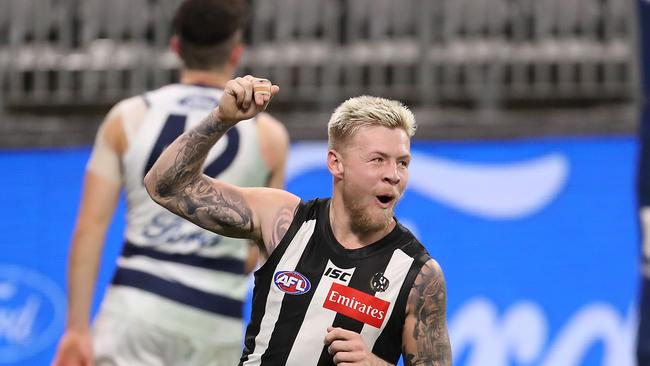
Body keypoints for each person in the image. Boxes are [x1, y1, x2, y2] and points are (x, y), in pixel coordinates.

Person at [144, 75, 451, 365]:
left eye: (403, 162)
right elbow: (166, 186)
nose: (393, 175)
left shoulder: (419, 275)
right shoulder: (284, 220)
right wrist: (221, 119)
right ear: (336, 163)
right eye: (377, 160)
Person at [52, 0, 289, 365]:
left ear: (176, 48)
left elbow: (90, 228)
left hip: (135, 308)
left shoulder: (127, 117)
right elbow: (258, 254)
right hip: (215, 320)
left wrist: (76, 329)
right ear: (236, 53)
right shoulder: (270, 136)